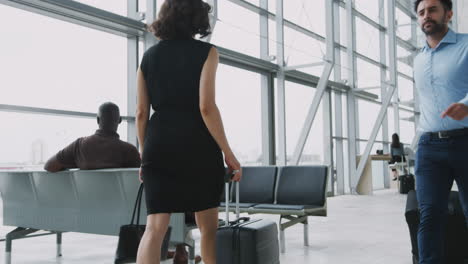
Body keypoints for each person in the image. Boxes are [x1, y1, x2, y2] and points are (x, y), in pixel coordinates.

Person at [135, 1, 242, 264]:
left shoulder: (148, 57)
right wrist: (228, 153)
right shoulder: (207, 52)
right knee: (207, 230)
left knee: (154, 229)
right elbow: (206, 107)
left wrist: (143, 153)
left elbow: (140, 112)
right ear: (197, 19)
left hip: (158, 145)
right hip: (198, 146)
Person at [413, 0, 468, 263]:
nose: (426, 16)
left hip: (465, 142)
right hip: (429, 147)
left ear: (449, 13)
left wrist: (466, 105)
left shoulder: (466, 45)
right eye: (421, 12)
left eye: (432, 9)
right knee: (429, 215)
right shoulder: (418, 59)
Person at [44, 102, 141, 172]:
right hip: (120, 200)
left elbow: (49, 166)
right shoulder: (130, 150)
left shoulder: (79, 146)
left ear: (98, 120)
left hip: (85, 199)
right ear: (119, 120)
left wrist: (76, 162)